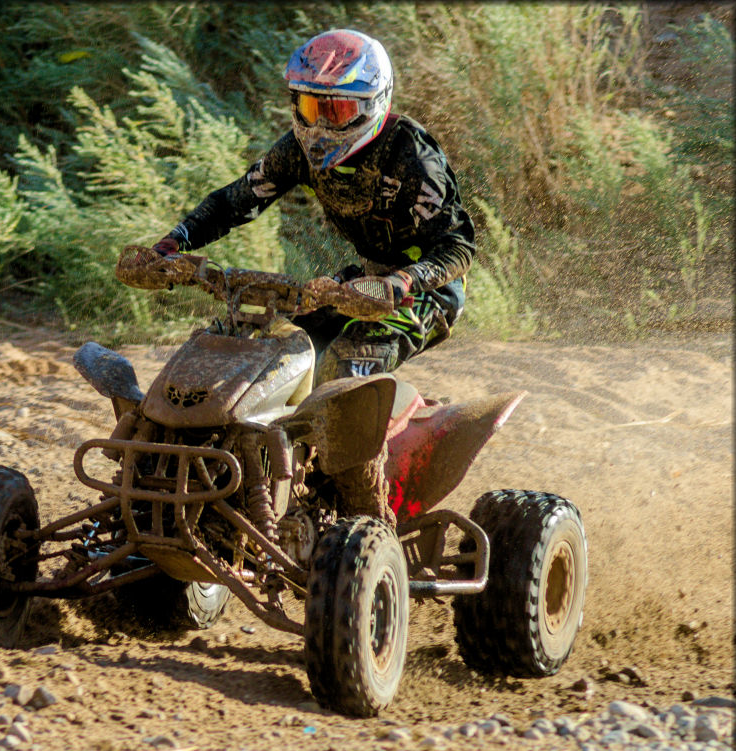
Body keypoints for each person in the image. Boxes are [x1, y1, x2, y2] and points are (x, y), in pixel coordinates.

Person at [121, 29, 475, 522]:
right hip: (359, 281)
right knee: (272, 348)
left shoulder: (414, 158)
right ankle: (257, 475)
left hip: (424, 292)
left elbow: (458, 246)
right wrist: (173, 242)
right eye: (310, 108)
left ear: (374, 103)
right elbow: (235, 201)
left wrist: (402, 283)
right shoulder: (297, 149)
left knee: (344, 371)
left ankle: (368, 518)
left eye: (337, 112)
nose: (322, 127)